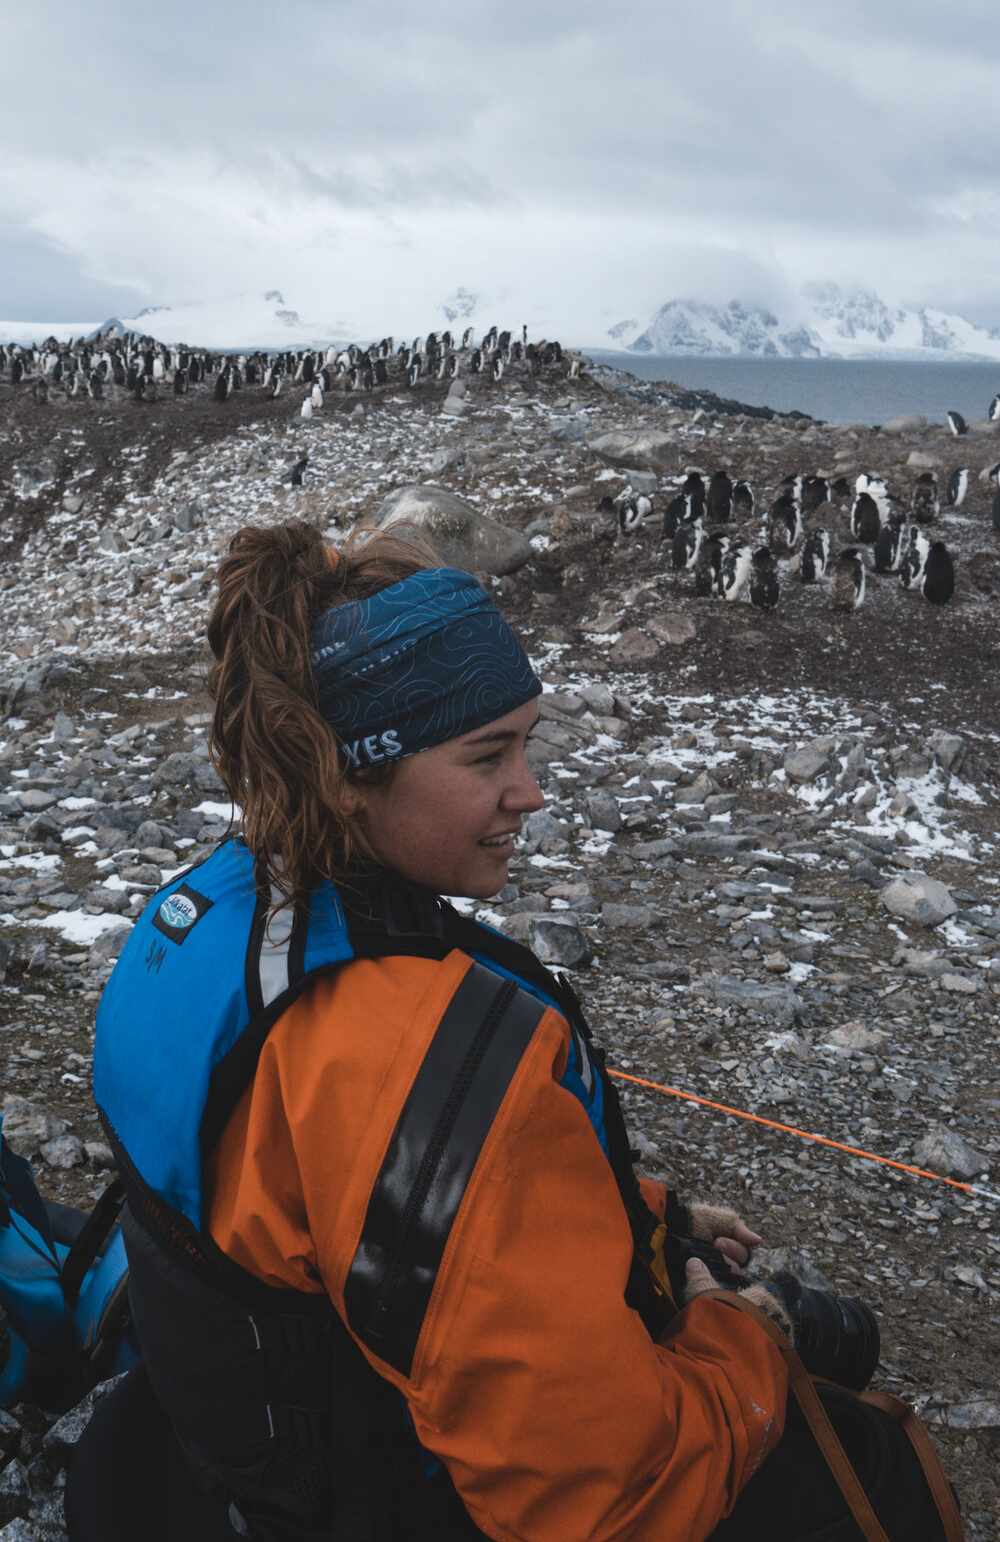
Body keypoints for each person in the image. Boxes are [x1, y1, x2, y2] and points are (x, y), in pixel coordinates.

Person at [92, 519, 793, 1542]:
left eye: (527, 741)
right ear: (349, 775)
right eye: (487, 754)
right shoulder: (411, 1050)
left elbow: (338, 1197)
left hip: (223, 1462)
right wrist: (748, 1342)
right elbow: (603, 1497)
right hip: (376, 1498)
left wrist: (640, 1219)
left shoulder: (205, 912)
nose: (531, 790)